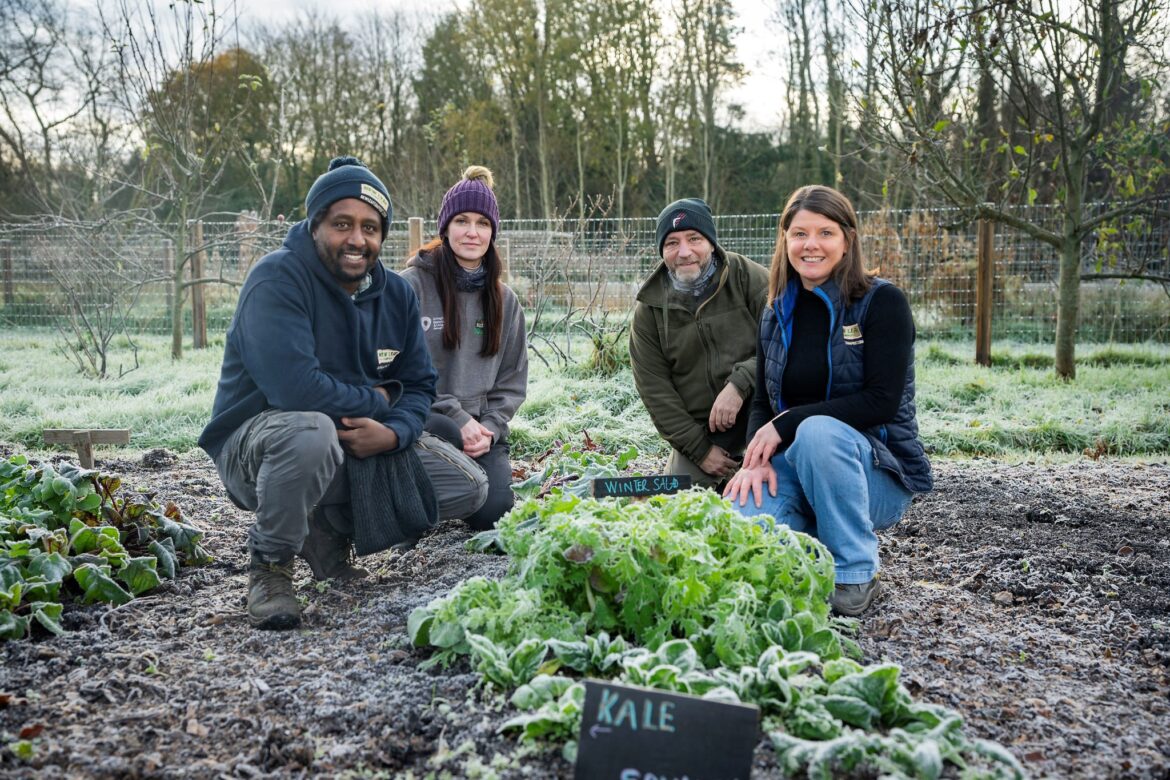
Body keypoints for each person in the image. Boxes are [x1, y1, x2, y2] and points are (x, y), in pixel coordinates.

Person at [199, 156, 488, 631]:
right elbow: (295, 388)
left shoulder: (395, 293)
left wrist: (392, 434)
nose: (357, 239)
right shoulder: (277, 280)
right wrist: (377, 401)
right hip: (262, 446)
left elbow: (418, 385)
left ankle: (325, 530)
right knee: (311, 432)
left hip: (351, 442)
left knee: (468, 486)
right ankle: (271, 567)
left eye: (371, 227)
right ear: (315, 225)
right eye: (342, 224)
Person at [722, 185, 932, 617]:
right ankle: (815, 540)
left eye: (825, 232)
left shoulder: (881, 303)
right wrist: (756, 461)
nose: (811, 245)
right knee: (738, 531)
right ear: (785, 240)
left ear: (847, 240)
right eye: (799, 233)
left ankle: (856, 574)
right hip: (796, 468)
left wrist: (788, 423)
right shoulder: (776, 311)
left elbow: (881, 402)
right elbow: (763, 402)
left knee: (817, 433)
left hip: (877, 472)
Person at [400, 166, 528, 530]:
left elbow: (512, 381)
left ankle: (460, 485)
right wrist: (458, 420)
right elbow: (399, 373)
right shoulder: (409, 288)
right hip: (423, 417)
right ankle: (405, 495)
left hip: (481, 432)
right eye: (462, 221)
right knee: (445, 442)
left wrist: (489, 426)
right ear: (445, 228)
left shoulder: (505, 300)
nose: (472, 232)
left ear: (493, 232)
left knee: (494, 512)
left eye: (482, 224)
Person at [629, 197, 769, 488]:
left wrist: (740, 383)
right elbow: (655, 391)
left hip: (765, 413)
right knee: (681, 498)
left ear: (712, 243)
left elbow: (784, 344)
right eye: (671, 243)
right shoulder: (650, 310)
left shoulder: (748, 278)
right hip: (704, 432)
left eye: (694, 239)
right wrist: (700, 450)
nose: (684, 252)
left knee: (769, 497)